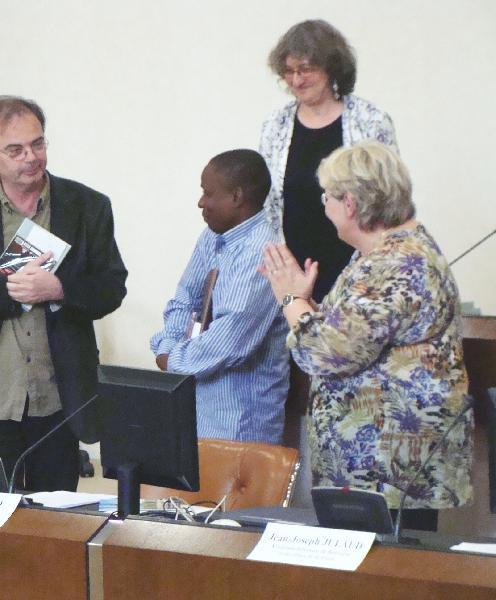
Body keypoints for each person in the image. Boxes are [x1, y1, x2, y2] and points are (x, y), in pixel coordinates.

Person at [260, 141, 472, 531]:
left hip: (390, 473)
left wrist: (290, 299)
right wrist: (310, 304)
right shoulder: (381, 255)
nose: (325, 206)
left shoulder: (397, 262)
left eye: (327, 197)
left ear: (351, 204)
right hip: (374, 470)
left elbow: (325, 353)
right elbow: (360, 338)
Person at [0, 95, 127, 492]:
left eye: (38, 144)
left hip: (60, 393)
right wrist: (8, 289)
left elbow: (111, 287)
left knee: (56, 522)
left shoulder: (88, 207)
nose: (30, 157)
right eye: (15, 149)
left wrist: (59, 288)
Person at [150, 149, 289, 443]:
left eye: (208, 193)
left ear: (237, 197)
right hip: (197, 406)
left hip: (241, 422)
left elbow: (227, 343)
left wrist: (170, 360)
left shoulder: (263, 251)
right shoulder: (214, 234)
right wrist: (169, 342)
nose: (201, 202)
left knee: (228, 492)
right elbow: (184, 298)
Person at [260, 19, 398, 302]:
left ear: (331, 67)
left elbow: (389, 202)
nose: (296, 80)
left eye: (305, 69)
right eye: (288, 71)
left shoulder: (371, 121)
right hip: (294, 272)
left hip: (360, 274)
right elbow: (269, 204)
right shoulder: (276, 124)